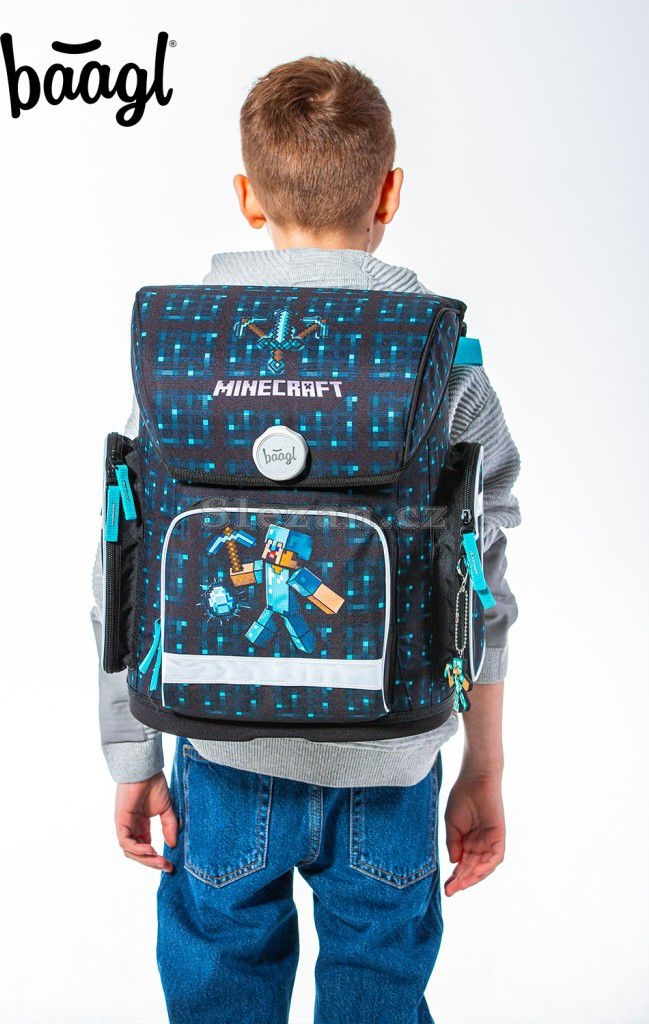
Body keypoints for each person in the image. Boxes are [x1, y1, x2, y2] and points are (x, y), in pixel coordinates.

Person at [91, 56, 521, 1024]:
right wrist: (484, 768)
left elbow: (119, 565)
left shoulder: (182, 356)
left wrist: (132, 753)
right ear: (389, 193)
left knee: (219, 991)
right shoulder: (442, 364)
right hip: (392, 764)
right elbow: (483, 586)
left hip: (220, 759)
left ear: (247, 197)